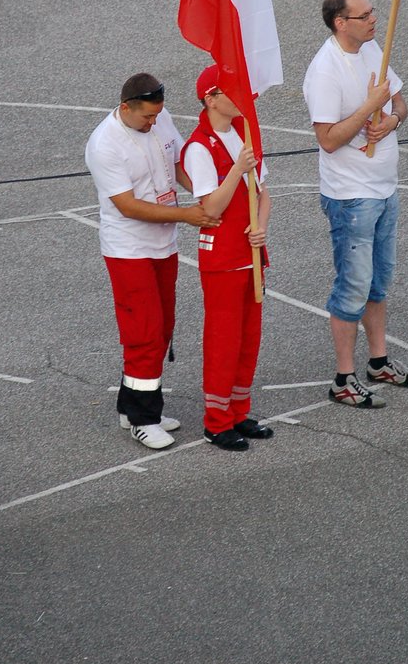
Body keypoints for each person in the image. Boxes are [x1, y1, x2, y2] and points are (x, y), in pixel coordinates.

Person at [303, 0, 408, 407]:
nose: (375, 20)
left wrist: (389, 119)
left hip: (385, 187)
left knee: (378, 282)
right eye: (365, 15)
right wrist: (367, 108)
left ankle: (378, 362)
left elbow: (402, 106)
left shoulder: (376, 50)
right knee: (352, 287)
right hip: (351, 197)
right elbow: (328, 139)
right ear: (341, 22)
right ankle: (343, 378)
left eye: (373, 12)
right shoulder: (324, 71)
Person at [84, 73, 216, 451]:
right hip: (129, 250)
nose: (154, 123)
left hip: (163, 244)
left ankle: (132, 406)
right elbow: (126, 206)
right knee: (143, 331)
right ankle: (144, 419)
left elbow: (176, 165)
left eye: (157, 116)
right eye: (146, 118)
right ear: (125, 108)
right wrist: (187, 215)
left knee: (162, 327)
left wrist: (206, 193)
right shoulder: (104, 144)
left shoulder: (160, 116)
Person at [181, 65, 273, 452]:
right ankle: (216, 422)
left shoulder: (244, 133)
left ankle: (238, 411)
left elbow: (264, 192)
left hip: (250, 252)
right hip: (221, 257)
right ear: (212, 98)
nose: (244, 97)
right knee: (223, 340)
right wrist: (237, 169)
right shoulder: (201, 146)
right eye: (233, 91)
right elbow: (211, 206)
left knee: (248, 338)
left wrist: (262, 226)